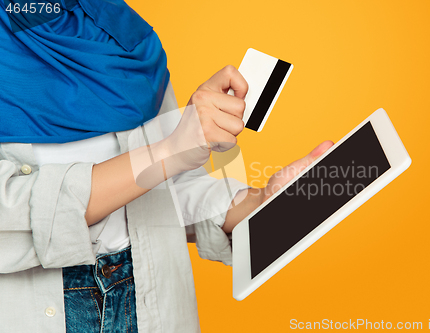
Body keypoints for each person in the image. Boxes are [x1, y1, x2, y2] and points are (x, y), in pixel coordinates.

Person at [0, 0, 333, 332]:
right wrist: (170, 151)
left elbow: (168, 188)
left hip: (156, 306)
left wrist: (259, 202)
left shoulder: (124, 32)